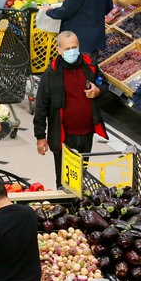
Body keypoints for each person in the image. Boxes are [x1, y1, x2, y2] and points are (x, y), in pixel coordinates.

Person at [33, 31, 107, 189]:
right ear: (59, 50)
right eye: (67, 49)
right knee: (64, 181)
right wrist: (40, 136)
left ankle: (78, 208)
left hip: (87, 134)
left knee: (80, 178)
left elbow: (104, 85)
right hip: (63, 136)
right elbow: (41, 105)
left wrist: (98, 90)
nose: (72, 51)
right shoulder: (51, 73)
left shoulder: (90, 65)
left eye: (75, 47)